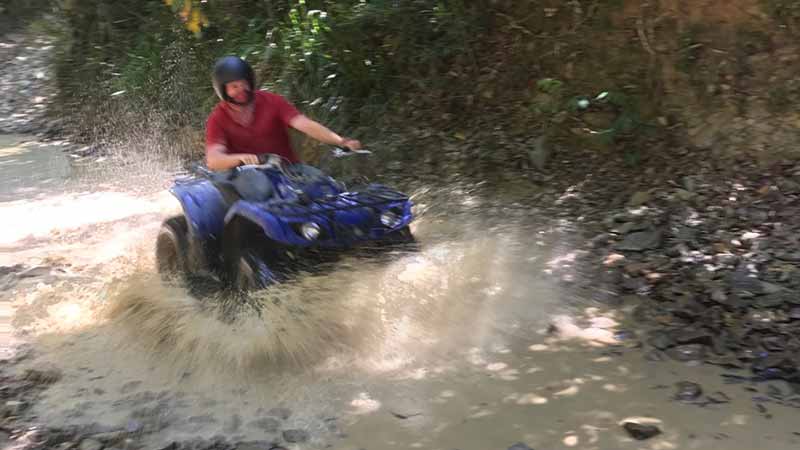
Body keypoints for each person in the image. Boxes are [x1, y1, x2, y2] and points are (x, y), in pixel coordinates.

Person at [205, 55, 361, 171]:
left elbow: (305, 124)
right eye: (234, 87)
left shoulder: (272, 101)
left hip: (288, 173)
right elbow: (213, 160)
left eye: (243, 83)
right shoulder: (218, 118)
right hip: (245, 181)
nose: (241, 90)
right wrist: (241, 159)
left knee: (323, 187)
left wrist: (341, 141)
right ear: (223, 90)